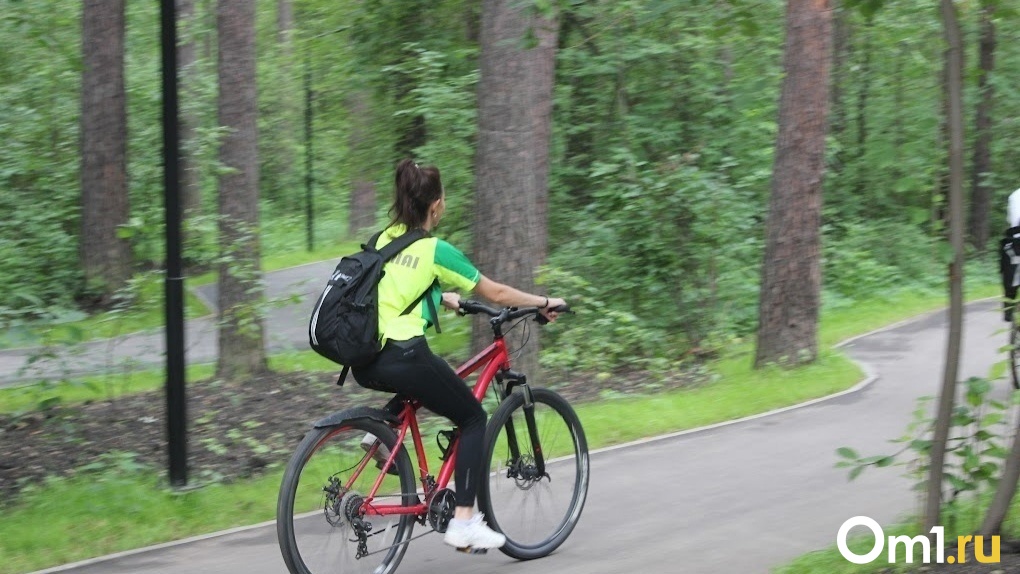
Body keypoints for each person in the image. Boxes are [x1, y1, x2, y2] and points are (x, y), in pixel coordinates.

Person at [352, 158, 567, 551]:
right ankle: (464, 521)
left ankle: (385, 430)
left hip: (365, 358)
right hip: (403, 353)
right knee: (472, 416)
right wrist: (543, 302)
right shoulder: (435, 249)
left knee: (427, 380)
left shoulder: (384, 239)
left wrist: (441, 296)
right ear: (436, 205)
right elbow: (497, 294)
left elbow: (396, 285)